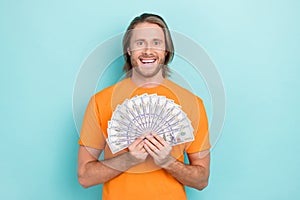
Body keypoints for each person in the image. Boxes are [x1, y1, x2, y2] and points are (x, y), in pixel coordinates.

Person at [77, 13, 211, 200]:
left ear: (166, 50)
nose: (148, 50)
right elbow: (84, 177)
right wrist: (129, 159)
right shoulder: (100, 102)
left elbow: (202, 180)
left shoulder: (192, 104)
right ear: (129, 50)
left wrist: (167, 161)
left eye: (156, 42)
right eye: (140, 43)